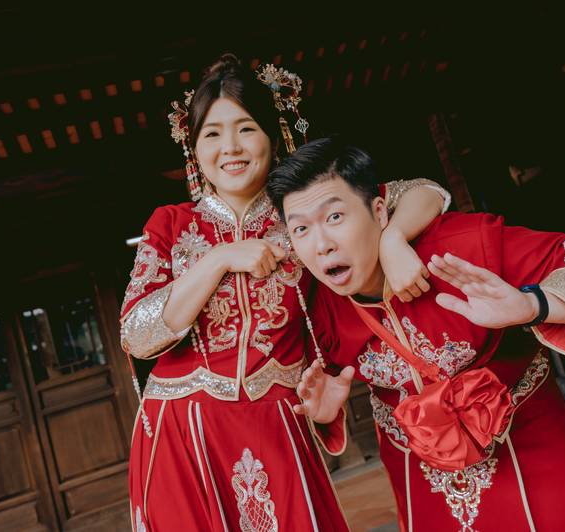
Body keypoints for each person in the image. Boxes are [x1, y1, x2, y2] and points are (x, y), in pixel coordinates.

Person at [120, 56, 451, 532]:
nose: (230, 148)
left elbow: (426, 191)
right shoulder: (170, 225)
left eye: (245, 129)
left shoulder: (304, 215)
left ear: (273, 137)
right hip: (182, 432)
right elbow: (137, 335)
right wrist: (218, 259)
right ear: (193, 147)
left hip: (275, 425)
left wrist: (394, 238)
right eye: (212, 134)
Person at [267, 137, 565, 532]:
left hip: (526, 446)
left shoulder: (461, 248)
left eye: (334, 217)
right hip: (419, 472)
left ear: (379, 212)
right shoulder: (315, 308)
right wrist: (327, 414)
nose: (322, 245)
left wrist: (533, 304)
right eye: (301, 229)